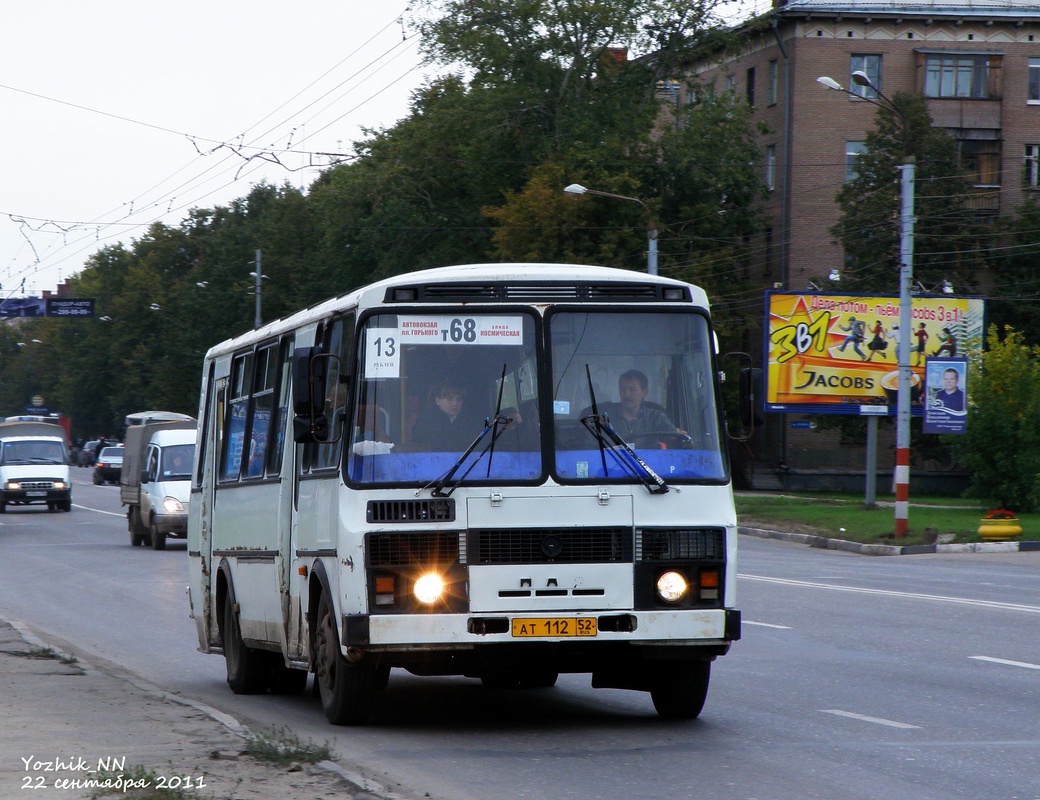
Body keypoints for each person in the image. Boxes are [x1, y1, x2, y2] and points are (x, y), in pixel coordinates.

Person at [584, 370, 681, 440]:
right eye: (623, 389)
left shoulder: (656, 418)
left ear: (645, 392)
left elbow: (674, 436)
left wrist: (677, 435)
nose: (626, 395)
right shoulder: (603, 417)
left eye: (632, 390)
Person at [411, 378, 480, 451]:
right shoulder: (426, 423)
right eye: (449, 399)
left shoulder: (471, 423)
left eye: (458, 399)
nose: (455, 403)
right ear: (437, 400)